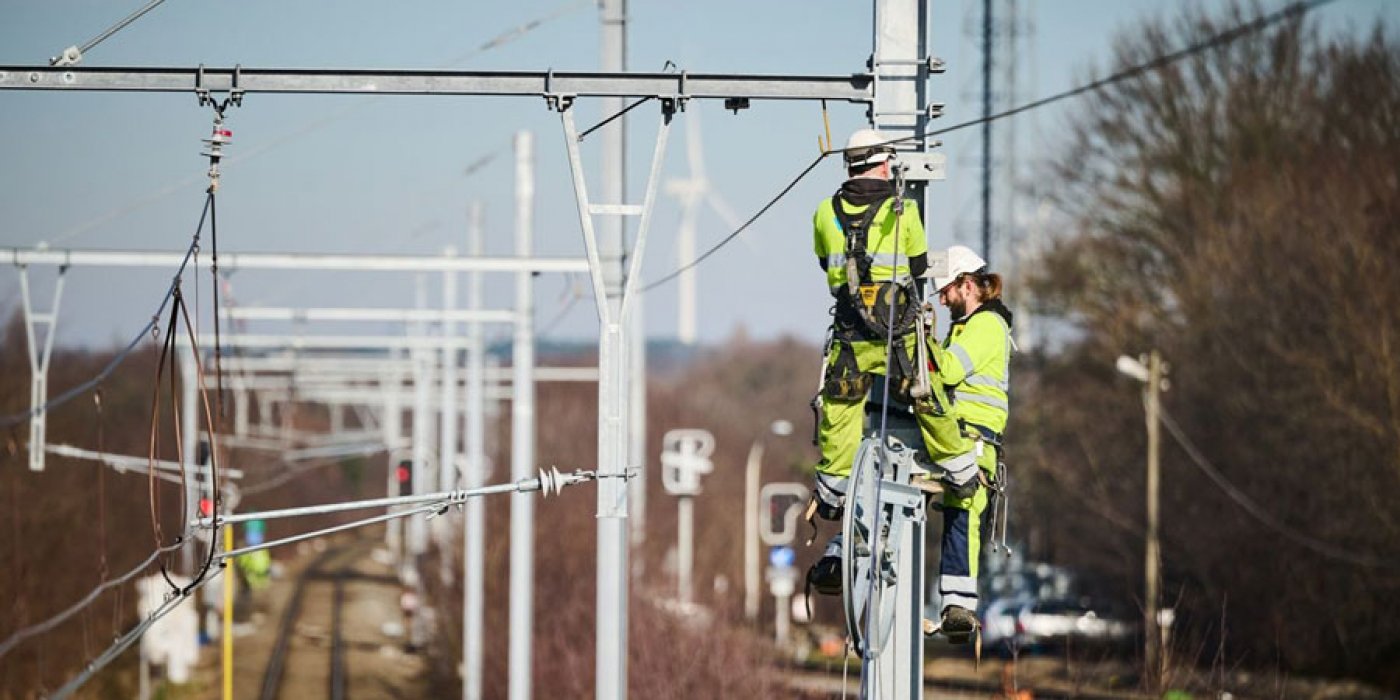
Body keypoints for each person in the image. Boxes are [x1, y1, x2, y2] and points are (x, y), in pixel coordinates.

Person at [804, 129, 981, 604]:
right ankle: (960, 467)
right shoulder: (905, 211)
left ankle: (834, 490)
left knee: (840, 408)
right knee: (927, 393)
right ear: (885, 165)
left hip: (850, 332)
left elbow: (827, 265)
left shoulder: (825, 212)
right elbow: (920, 267)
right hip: (897, 331)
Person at [925, 244, 1013, 641]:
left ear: (967, 285)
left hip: (974, 440)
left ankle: (959, 607)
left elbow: (946, 370)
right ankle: (954, 605)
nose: (941, 299)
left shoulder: (987, 326)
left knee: (963, 510)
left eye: (945, 291)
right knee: (955, 513)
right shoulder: (964, 325)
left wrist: (920, 337)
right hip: (955, 434)